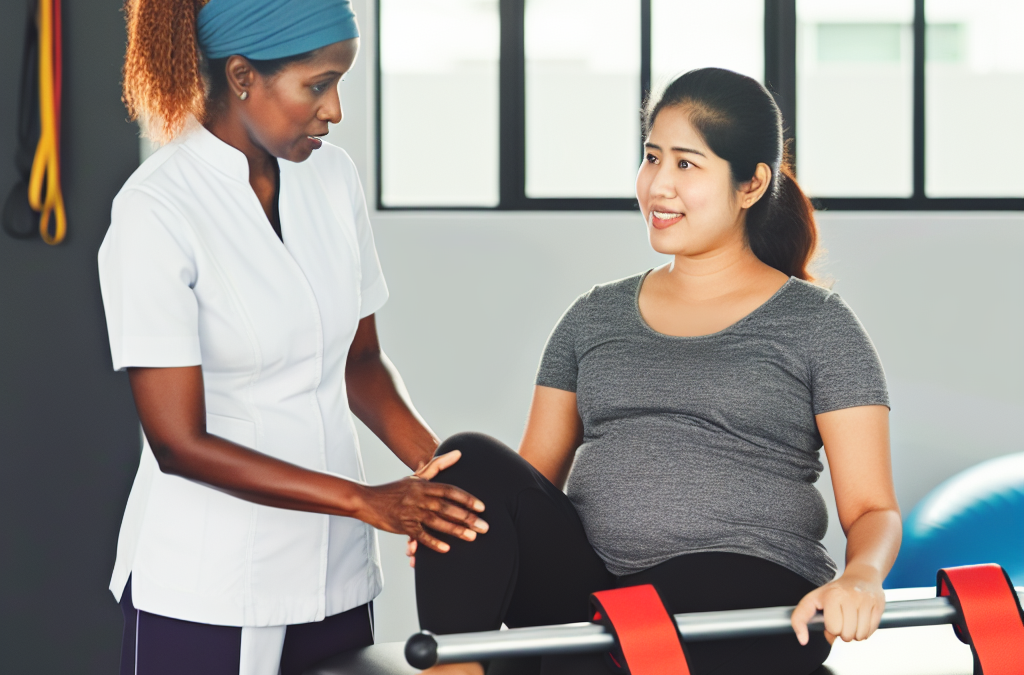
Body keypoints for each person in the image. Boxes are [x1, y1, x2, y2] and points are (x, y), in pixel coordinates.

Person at [411, 68, 902, 675]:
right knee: (469, 461)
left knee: (632, 625)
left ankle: (585, 652)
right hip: (595, 597)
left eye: (687, 165)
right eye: (651, 158)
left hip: (745, 594)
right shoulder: (594, 317)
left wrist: (860, 578)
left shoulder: (818, 324)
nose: (658, 185)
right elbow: (526, 487)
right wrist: (460, 523)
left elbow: (872, 509)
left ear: (751, 184)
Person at [97, 1, 487, 674]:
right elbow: (177, 442)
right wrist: (367, 499)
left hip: (336, 576)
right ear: (243, 75)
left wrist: (437, 476)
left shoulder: (332, 179)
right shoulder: (155, 210)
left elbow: (358, 360)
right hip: (209, 586)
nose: (334, 110)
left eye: (341, 82)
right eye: (317, 84)